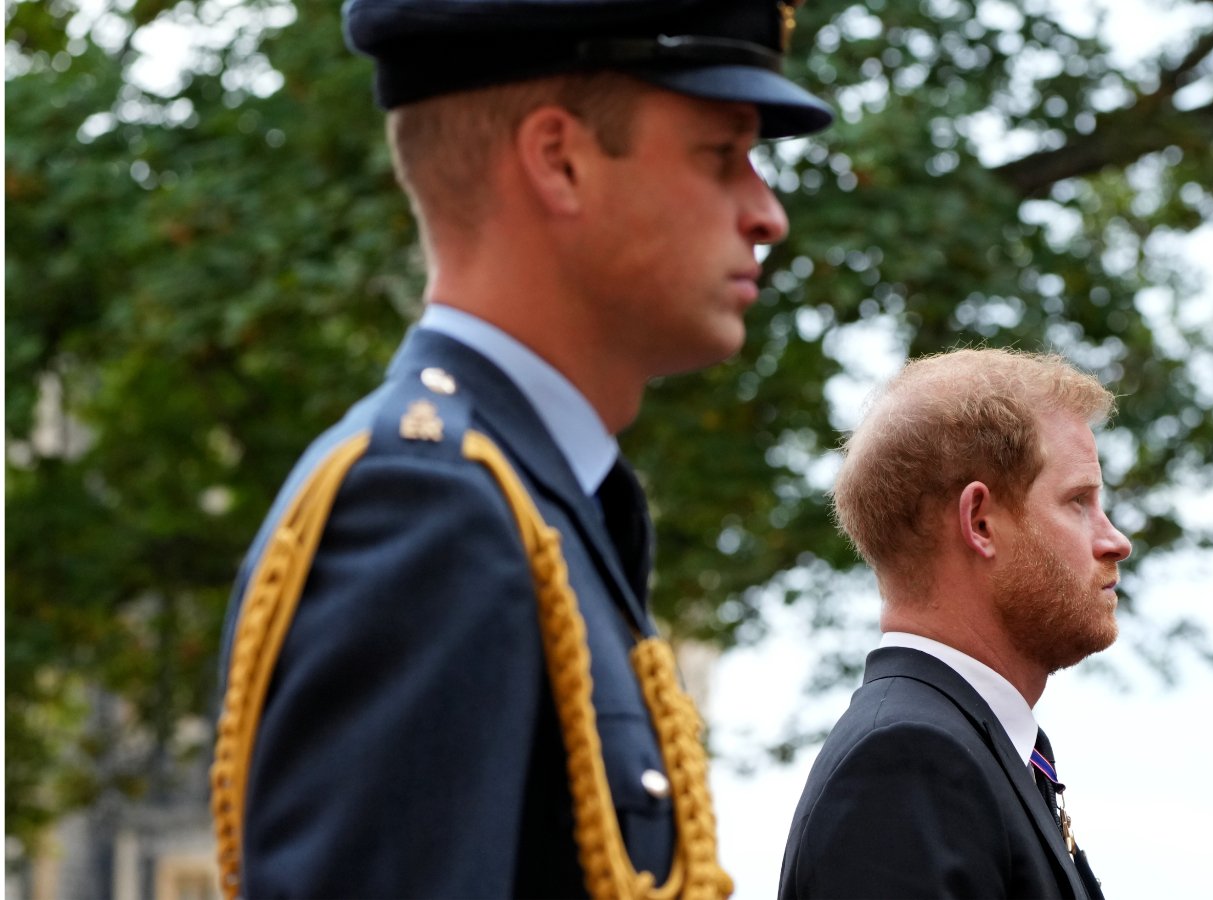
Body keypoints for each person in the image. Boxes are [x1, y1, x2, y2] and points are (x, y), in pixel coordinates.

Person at [206, 1, 831, 897]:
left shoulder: (541, 499)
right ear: (559, 160)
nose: (766, 213)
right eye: (722, 155)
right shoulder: (428, 504)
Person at [778, 348, 1131, 900]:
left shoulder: (961, 748)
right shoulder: (910, 763)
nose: (1115, 541)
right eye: (1078, 501)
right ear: (980, 522)